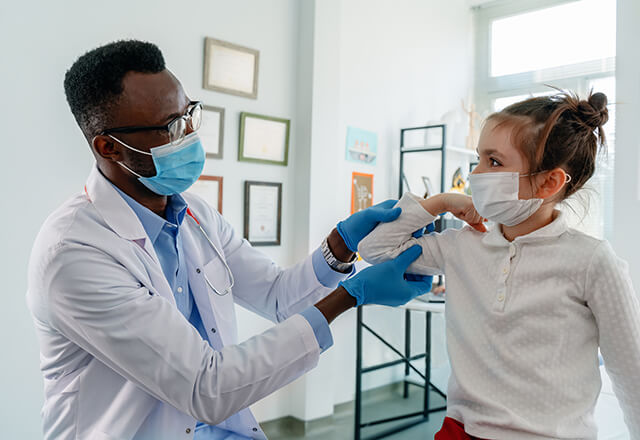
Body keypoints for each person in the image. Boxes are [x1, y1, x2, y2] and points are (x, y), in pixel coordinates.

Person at [26, 40, 433, 440]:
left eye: (188, 115)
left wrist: (341, 244)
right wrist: (349, 296)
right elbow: (207, 387)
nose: (187, 135)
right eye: (170, 127)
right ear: (109, 147)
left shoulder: (195, 216)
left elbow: (277, 296)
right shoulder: (74, 254)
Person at [359, 91, 640, 439]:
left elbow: (631, 373)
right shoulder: (461, 246)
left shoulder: (592, 261)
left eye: (493, 162)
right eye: (478, 159)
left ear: (549, 182)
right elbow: (374, 248)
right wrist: (441, 202)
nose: (476, 174)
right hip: (462, 432)